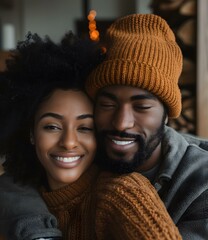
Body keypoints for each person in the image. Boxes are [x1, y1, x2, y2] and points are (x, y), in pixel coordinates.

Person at [0, 31, 182, 240]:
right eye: (52, 126)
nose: (68, 142)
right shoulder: (18, 193)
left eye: (84, 128)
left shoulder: (121, 192)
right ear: (31, 133)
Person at [85, 13, 208, 239]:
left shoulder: (202, 180)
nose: (122, 123)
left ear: (166, 115)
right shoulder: (79, 152)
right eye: (107, 104)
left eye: (141, 106)